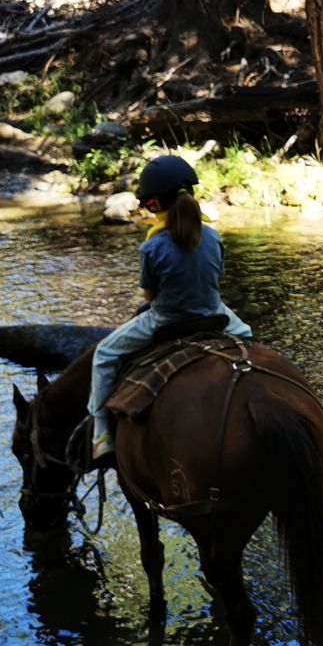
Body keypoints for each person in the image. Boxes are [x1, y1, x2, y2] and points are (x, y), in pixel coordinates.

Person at [88, 154, 253, 461]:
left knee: (104, 355)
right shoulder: (213, 237)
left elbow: (150, 296)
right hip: (212, 311)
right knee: (248, 334)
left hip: (167, 317)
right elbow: (215, 278)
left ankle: (101, 432)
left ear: (154, 205)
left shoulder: (152, 246)